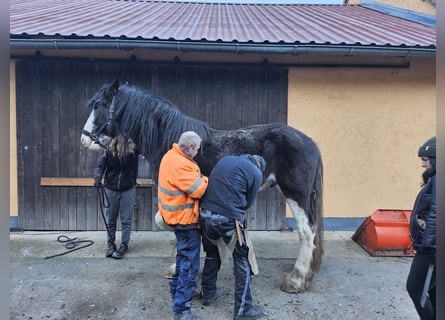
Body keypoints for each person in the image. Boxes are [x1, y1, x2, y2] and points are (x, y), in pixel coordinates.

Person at [199, 154, 266, 320]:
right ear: (259, 165)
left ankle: (208, 294)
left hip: (204, 214)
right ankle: (243, 310)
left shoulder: (224, 160)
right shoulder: (256, 173)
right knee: (242, 259)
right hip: (227, 219)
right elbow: (248, 204)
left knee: (212, 253)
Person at [158, 131, 209, 320]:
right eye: (196, 149)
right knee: (190, 265)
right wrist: (205, 178)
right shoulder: (181, 164)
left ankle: (175, 291)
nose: (197, 153)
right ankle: (181, 309)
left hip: (176, 218)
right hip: (185, 220)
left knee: (182, 257)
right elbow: (198, 190)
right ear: (190, 148)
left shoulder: (170, 156)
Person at [94, 134, 139, 259]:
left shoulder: (133, 149)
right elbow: (100, 166)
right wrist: (97, 179)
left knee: (126, 219)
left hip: (128, 188)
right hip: (110, 188)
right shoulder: (107, 149)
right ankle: (110, 243)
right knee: (110, 219)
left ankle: (124, 244)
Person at [406, 136, 436, 320]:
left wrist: (429, 247)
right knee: (434, 291)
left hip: (432, 248)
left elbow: (436, 214)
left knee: (415, 289)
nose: (423, 165)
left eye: (425, 160)